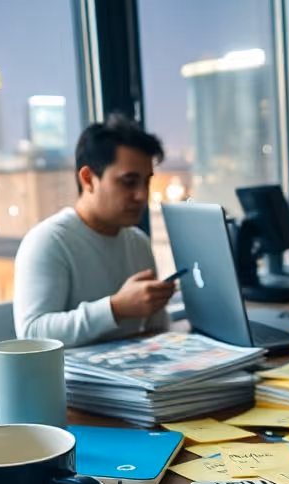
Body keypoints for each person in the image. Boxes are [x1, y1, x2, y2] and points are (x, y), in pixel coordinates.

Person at [13, 116, 175, 347]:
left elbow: (156, 329)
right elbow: (32, 334)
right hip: (71, 382)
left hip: (134, 375)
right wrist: (116, 308)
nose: (141, 195)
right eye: (128, 182)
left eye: (146, 182)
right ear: (88, 179)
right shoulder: (49, 241)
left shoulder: (139, 243)